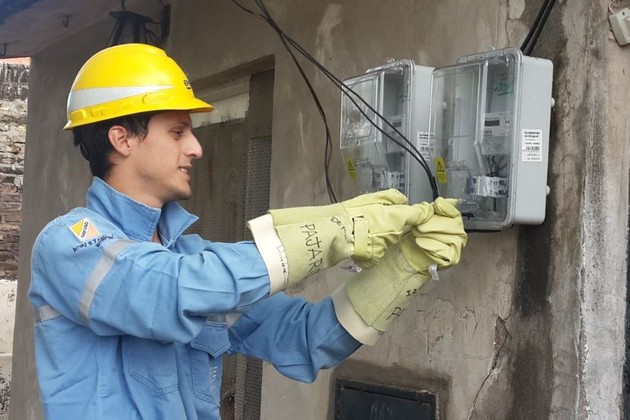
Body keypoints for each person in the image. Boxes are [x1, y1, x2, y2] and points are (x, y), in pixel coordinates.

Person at [28, 43, 467, 419]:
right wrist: (337, 231)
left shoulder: (190, 258)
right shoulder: (69, 245)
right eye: (178, 132)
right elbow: (169, 292)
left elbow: (307, 338)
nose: (195, 148)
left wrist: (405, 265)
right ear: (122, 139)